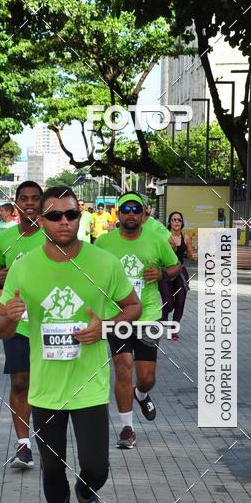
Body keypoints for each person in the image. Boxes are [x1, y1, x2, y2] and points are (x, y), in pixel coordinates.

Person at [0, 186, 140, 503]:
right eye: (54, 216)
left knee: (95, 467)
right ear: (40, 220)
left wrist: (106, 327)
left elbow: (133, 306)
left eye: (71, 215)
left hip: (88, 386)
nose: (64, 222)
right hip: (46, 390)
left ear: (80, 216)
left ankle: (87, 493)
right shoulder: (25, 268)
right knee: (52, 467)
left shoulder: (103, 262)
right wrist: (8, 314)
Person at [96, 192, 181, 449]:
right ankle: (127, 428)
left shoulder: (156, 240)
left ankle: (140, 393)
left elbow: (176, 266)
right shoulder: (103, 243)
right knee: (123, 368)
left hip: (149, 315)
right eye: (125, 209)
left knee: (147, 377)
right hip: (117, 315)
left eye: (135, 209)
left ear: (143, 213)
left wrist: (163, 273)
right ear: (118, 214)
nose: (130, 214)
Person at [0, 182, 44, 468]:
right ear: (17, 204)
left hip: (50, 322)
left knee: (45, 384)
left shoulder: (54, 235)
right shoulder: (5, 237)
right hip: (17, 321)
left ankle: (48, 438)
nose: (30, 203)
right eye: (24, 199)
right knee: (20, 381)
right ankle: (23, 445)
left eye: (36, 198)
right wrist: (0, 274)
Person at [159, 212, 196, 339]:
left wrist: (196, 255)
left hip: (180, 272)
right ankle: (164, 313)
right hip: (166, 272)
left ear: (182, 222)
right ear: (170, 222)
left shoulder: (186, 238)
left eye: (179, 220)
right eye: (173, 219)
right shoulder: (163, 237)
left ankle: (173, 331)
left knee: (180, 301)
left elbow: (191, 255)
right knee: (169, 303)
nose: (176, 222)